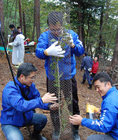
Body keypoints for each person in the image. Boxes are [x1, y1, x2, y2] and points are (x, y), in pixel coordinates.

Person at [35, 11, 84, 140]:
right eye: (53, 29)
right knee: (54, 104)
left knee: (72, 103)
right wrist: (46, 51)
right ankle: (56, 129)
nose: (56, 32)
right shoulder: (45, 36)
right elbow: (38, 52)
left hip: (68, 76)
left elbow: (80, 51)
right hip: (52, 77)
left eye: (58, 29)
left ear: (62, 26)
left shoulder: (71, 34)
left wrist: (72, 44)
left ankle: (75, 130)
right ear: (49, 27)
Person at [69, 72, 118, 140]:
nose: (97, 90)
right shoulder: (117, 94)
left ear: (108, 84)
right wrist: (103, 111)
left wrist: (82, 121)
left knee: (91, 139)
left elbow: (103, 126)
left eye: (98, 87)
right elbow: (116, 112)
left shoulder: (110, 101)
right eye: (95, 88)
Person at [0, 63, 58, 140]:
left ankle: (35, 135)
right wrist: (41, 100)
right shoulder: (10, 89)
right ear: (22, 77)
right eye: (32, 77)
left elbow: (37, 99)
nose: (33, 80)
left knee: (42, 119)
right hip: (11, 121)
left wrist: (49, 106)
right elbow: (21, 106)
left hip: (26, 116)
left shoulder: (30, 86)